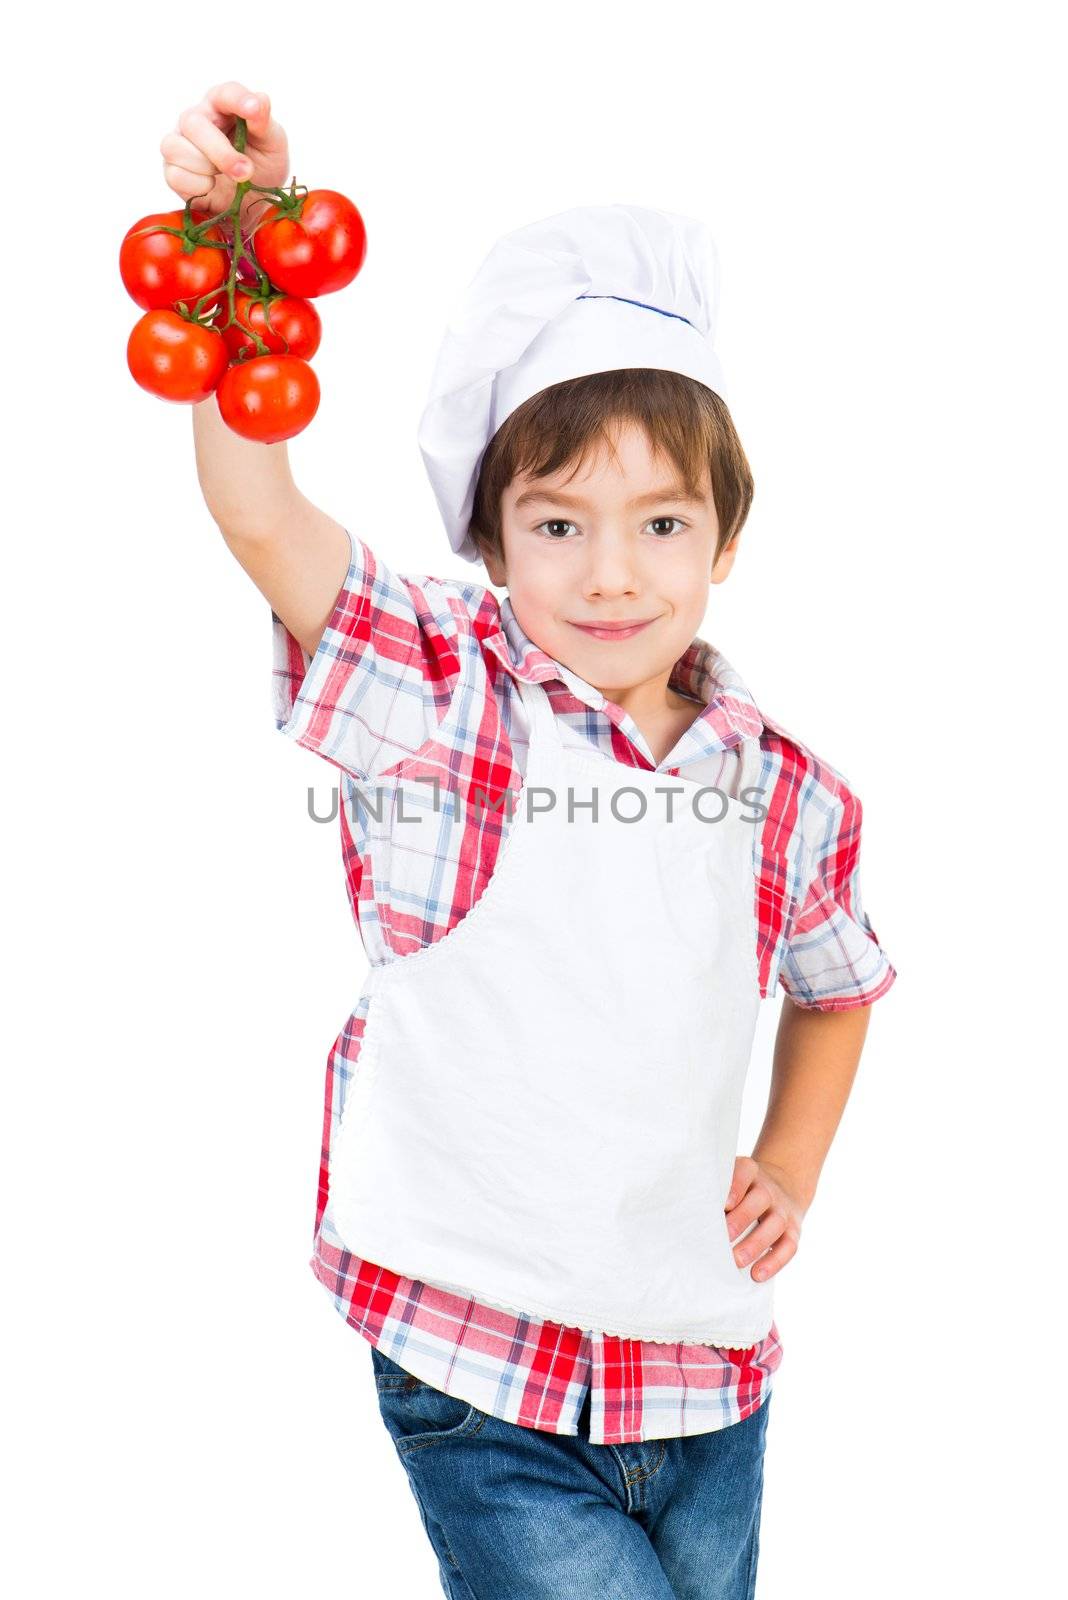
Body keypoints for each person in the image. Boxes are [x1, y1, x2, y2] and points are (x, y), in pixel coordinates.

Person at [167, 80, 897, 1600]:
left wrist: (793, 1162)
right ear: (493, 545)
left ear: (726, 542)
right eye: (559, 524)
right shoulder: (442, 700)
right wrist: (242, 265)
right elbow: (260, 516)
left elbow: (838, 982)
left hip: (702, 1374)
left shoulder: (789, 791)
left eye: (662, 524)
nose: (612, 573)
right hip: (479, 1358)